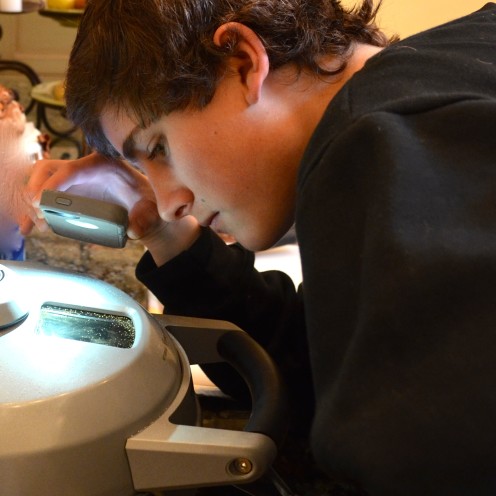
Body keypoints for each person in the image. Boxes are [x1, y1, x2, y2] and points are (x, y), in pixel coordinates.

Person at [21, 0, 496, 494]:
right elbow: (317, 369)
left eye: (158, 148)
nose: (169, 203)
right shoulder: (446, 73)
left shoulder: (382, 147)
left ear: (243, 62)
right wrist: (160, 232)